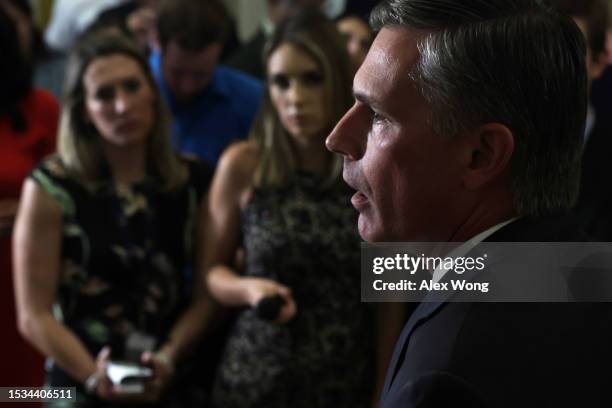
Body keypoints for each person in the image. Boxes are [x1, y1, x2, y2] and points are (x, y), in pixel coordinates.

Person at [326, 0, 612, 406]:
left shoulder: (444, 376)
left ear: (481, 155)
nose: (337, 138)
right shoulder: (582, 275)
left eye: (376, 116)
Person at [204, 11, 402, 407]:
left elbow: (389, 299)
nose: (295, 97)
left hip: (343, 379)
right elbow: (211, 272)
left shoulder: (370, 164)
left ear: (337, 77)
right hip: (255, 374)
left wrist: (385, 391)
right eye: (281, 81)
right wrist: (248, 289)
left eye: (311, 78)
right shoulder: (244, 164)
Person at [13, 30, 214, 406]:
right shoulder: (51, 186)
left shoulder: (191, 181)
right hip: (77, 376)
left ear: (152, 93)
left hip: (167, 372)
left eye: (132, 87)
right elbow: (33, 315)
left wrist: (168, 360)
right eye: (104, 95)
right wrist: (93, 376)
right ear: (84, 111)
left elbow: (207, 295)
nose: (123, 106)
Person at [0, 1, 59, 389]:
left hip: (22, 277)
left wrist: (28, 212)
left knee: (21, 392)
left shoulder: (40, 108)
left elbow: (68, 194)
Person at [150, 0, 263, 167]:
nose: (188, 86)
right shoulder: (126, 97)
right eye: (177, 72)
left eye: (201, 74)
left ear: (220, 51)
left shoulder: (252, 99)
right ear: (157, 43)